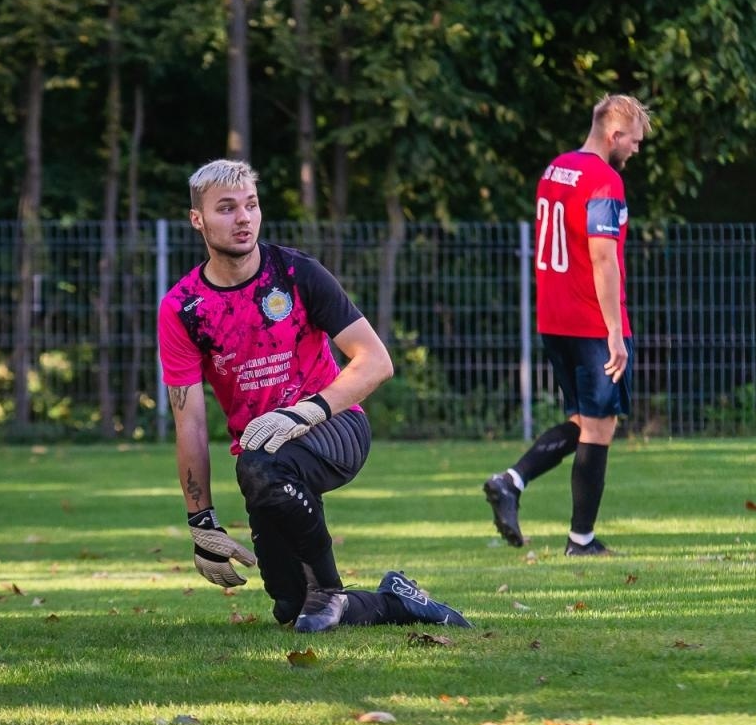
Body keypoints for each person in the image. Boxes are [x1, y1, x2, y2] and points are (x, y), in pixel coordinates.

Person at [159, 158, 470, 633]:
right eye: (226, 208)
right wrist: (201, 522)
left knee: (260, 465)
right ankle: (394, 599)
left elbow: (375, 360)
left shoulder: (296, 272)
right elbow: (191, 423)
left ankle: (327, 590)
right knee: (290, 609)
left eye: (251, 205)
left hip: (334, 425)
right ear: (197, 219)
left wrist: (307, 412)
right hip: (264, 458)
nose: (243, 218)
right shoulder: (183, 308)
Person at [484, 94, 651, 557]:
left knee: (582, 421)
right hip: (589, 320)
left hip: (554, 317)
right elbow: (602, 256)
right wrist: (615, 331)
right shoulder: (603, 179)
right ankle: (581, 540)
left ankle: (511, 481)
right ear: (614, 135)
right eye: (633, 142)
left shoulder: (556, 169)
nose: (635, 151)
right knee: (600, 427)